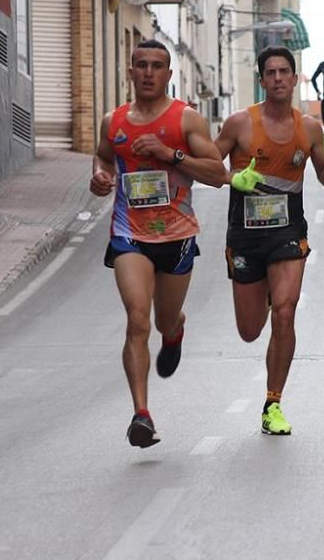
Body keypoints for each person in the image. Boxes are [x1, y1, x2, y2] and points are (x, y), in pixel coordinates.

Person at [90, 39, 226, 448]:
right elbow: (103, 158)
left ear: (169, 74)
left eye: (156, 66)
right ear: (129, 72)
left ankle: (175, 331)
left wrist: (171, 155)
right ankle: (142, 415)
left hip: (177, 235)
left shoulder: (186, 121)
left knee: (164, 320)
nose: (148, 72)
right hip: (129, 232)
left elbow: (219, 173)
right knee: (136, 319)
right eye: (140, 65)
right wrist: (99, 178)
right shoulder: (112, 123)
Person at [215, 46, 324, 436]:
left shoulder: (308, 128)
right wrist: (229, 178)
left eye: (284, 71)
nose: (277, 78)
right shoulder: (239, 123)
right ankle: (268, 291)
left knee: (285, 312)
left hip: (288, 234)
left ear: (294, 77)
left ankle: (273, 403)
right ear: (261, 80)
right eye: (269, 72)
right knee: (250, 330)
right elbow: (206, 163)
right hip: (245, 237)